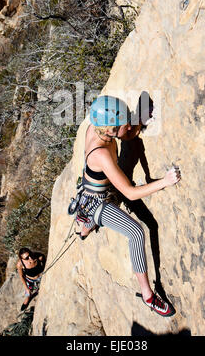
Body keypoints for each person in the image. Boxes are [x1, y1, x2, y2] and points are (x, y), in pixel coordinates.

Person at [75, 95, 181, 317]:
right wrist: (164, 182)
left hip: (92, 188)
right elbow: (130, 192)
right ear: (112, 129)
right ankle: (148, 296)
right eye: (126, 122)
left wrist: (139, 123)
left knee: (105, 201)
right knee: (136, 231)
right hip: (97, 202)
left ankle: (84, 224)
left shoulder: (97, 128)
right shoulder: (102, 154)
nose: (131, 125)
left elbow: (127, 134)